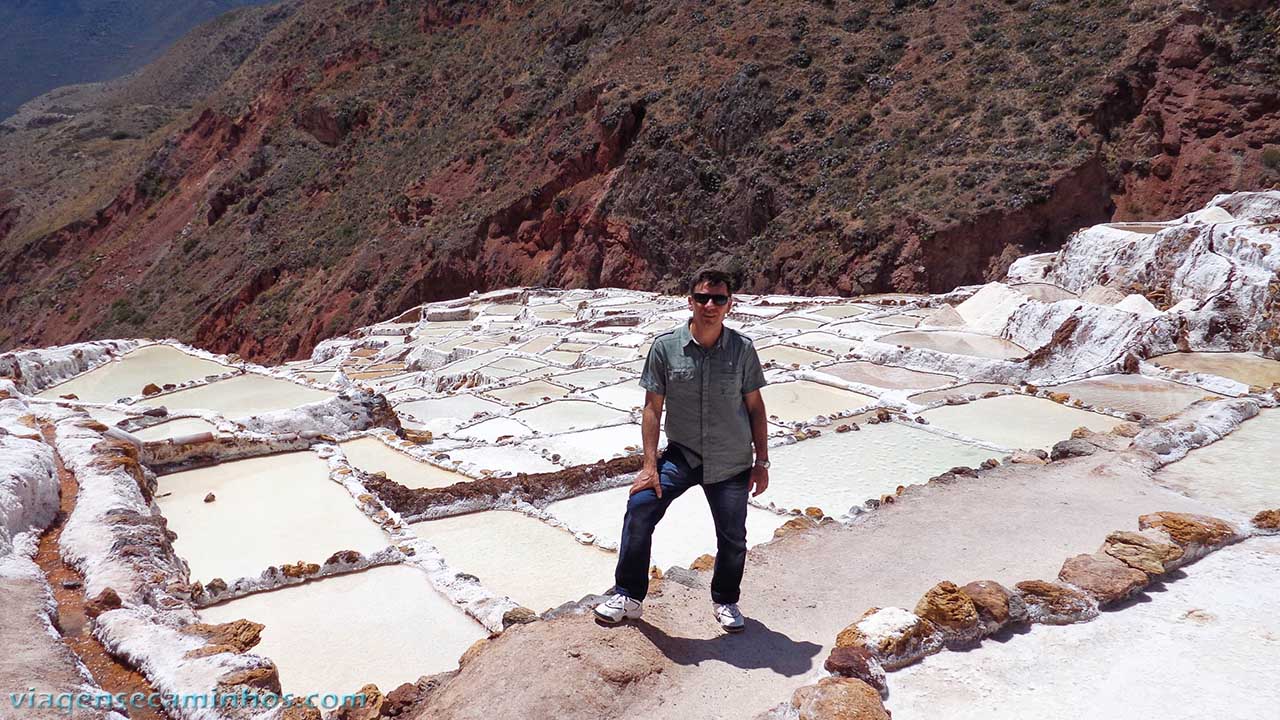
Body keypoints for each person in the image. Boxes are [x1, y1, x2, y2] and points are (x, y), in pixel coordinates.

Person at [594, 268, 771, 633]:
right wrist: (649, 464)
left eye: (718, 299)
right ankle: (628, 595)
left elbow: (756, 407)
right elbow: (652, 408)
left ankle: (726, 600)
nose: (710, 305)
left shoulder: (742, 350)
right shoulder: (665, 348)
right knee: (640, 507)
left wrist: (762, 461)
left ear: (729, 305)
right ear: (689, 301)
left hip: (732, 459)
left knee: (733, 536)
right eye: (703, 298)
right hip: (682, 455)